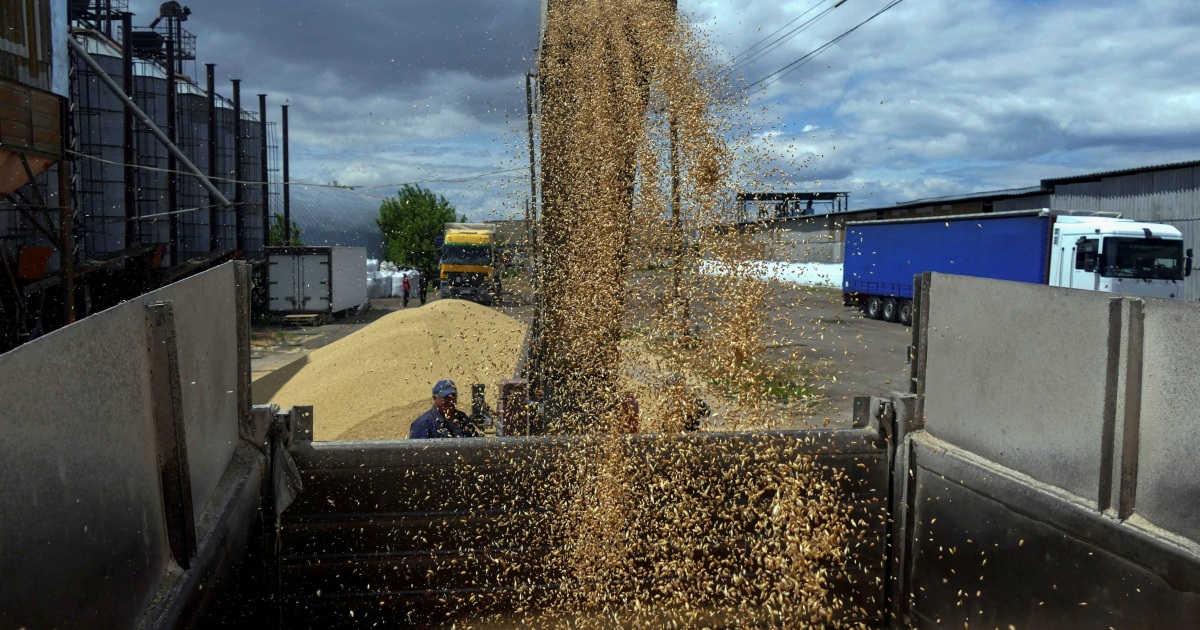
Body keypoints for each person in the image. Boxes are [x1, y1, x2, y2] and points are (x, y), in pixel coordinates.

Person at [409, 380, 480, 439]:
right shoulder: (423, 423)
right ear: (434, 398)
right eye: (446, 398)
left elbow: (476, 444)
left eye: (453, 397)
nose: (450, 401)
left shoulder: (463, 418)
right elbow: (417, 453)